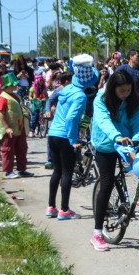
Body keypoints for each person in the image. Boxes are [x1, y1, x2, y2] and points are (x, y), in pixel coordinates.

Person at [90, 71, 139, 252]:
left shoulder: (132, 100)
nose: (125, 94)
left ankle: (136, 202)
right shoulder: (101, 100)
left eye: (129, 90)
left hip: (125, 144)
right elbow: (104, 121)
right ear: (113, 89)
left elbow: (138, 122)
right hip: (105, 144)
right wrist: (117, 137)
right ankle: (97, 233)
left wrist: (137, 138)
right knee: (106, 183)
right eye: (122, 91)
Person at [46, 54, 99, 219]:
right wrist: (73, 140)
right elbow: (70, 118)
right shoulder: (80, 96)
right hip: (64, 137)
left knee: (57, 172)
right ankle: (64, 209)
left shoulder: (66, 89)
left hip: (53, 133)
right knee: (67, 173)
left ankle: (51, 207)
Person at [0, 73, 30, 179]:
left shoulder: (14, 95)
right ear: (8, 85)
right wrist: (7, 127)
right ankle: (8, 171)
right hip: (9, 128)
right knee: (8, 149)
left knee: (22, 148)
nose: (16, 85)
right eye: (14, 84)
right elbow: (0, 113)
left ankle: (21, 170)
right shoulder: (2, 97)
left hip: (19, 127)